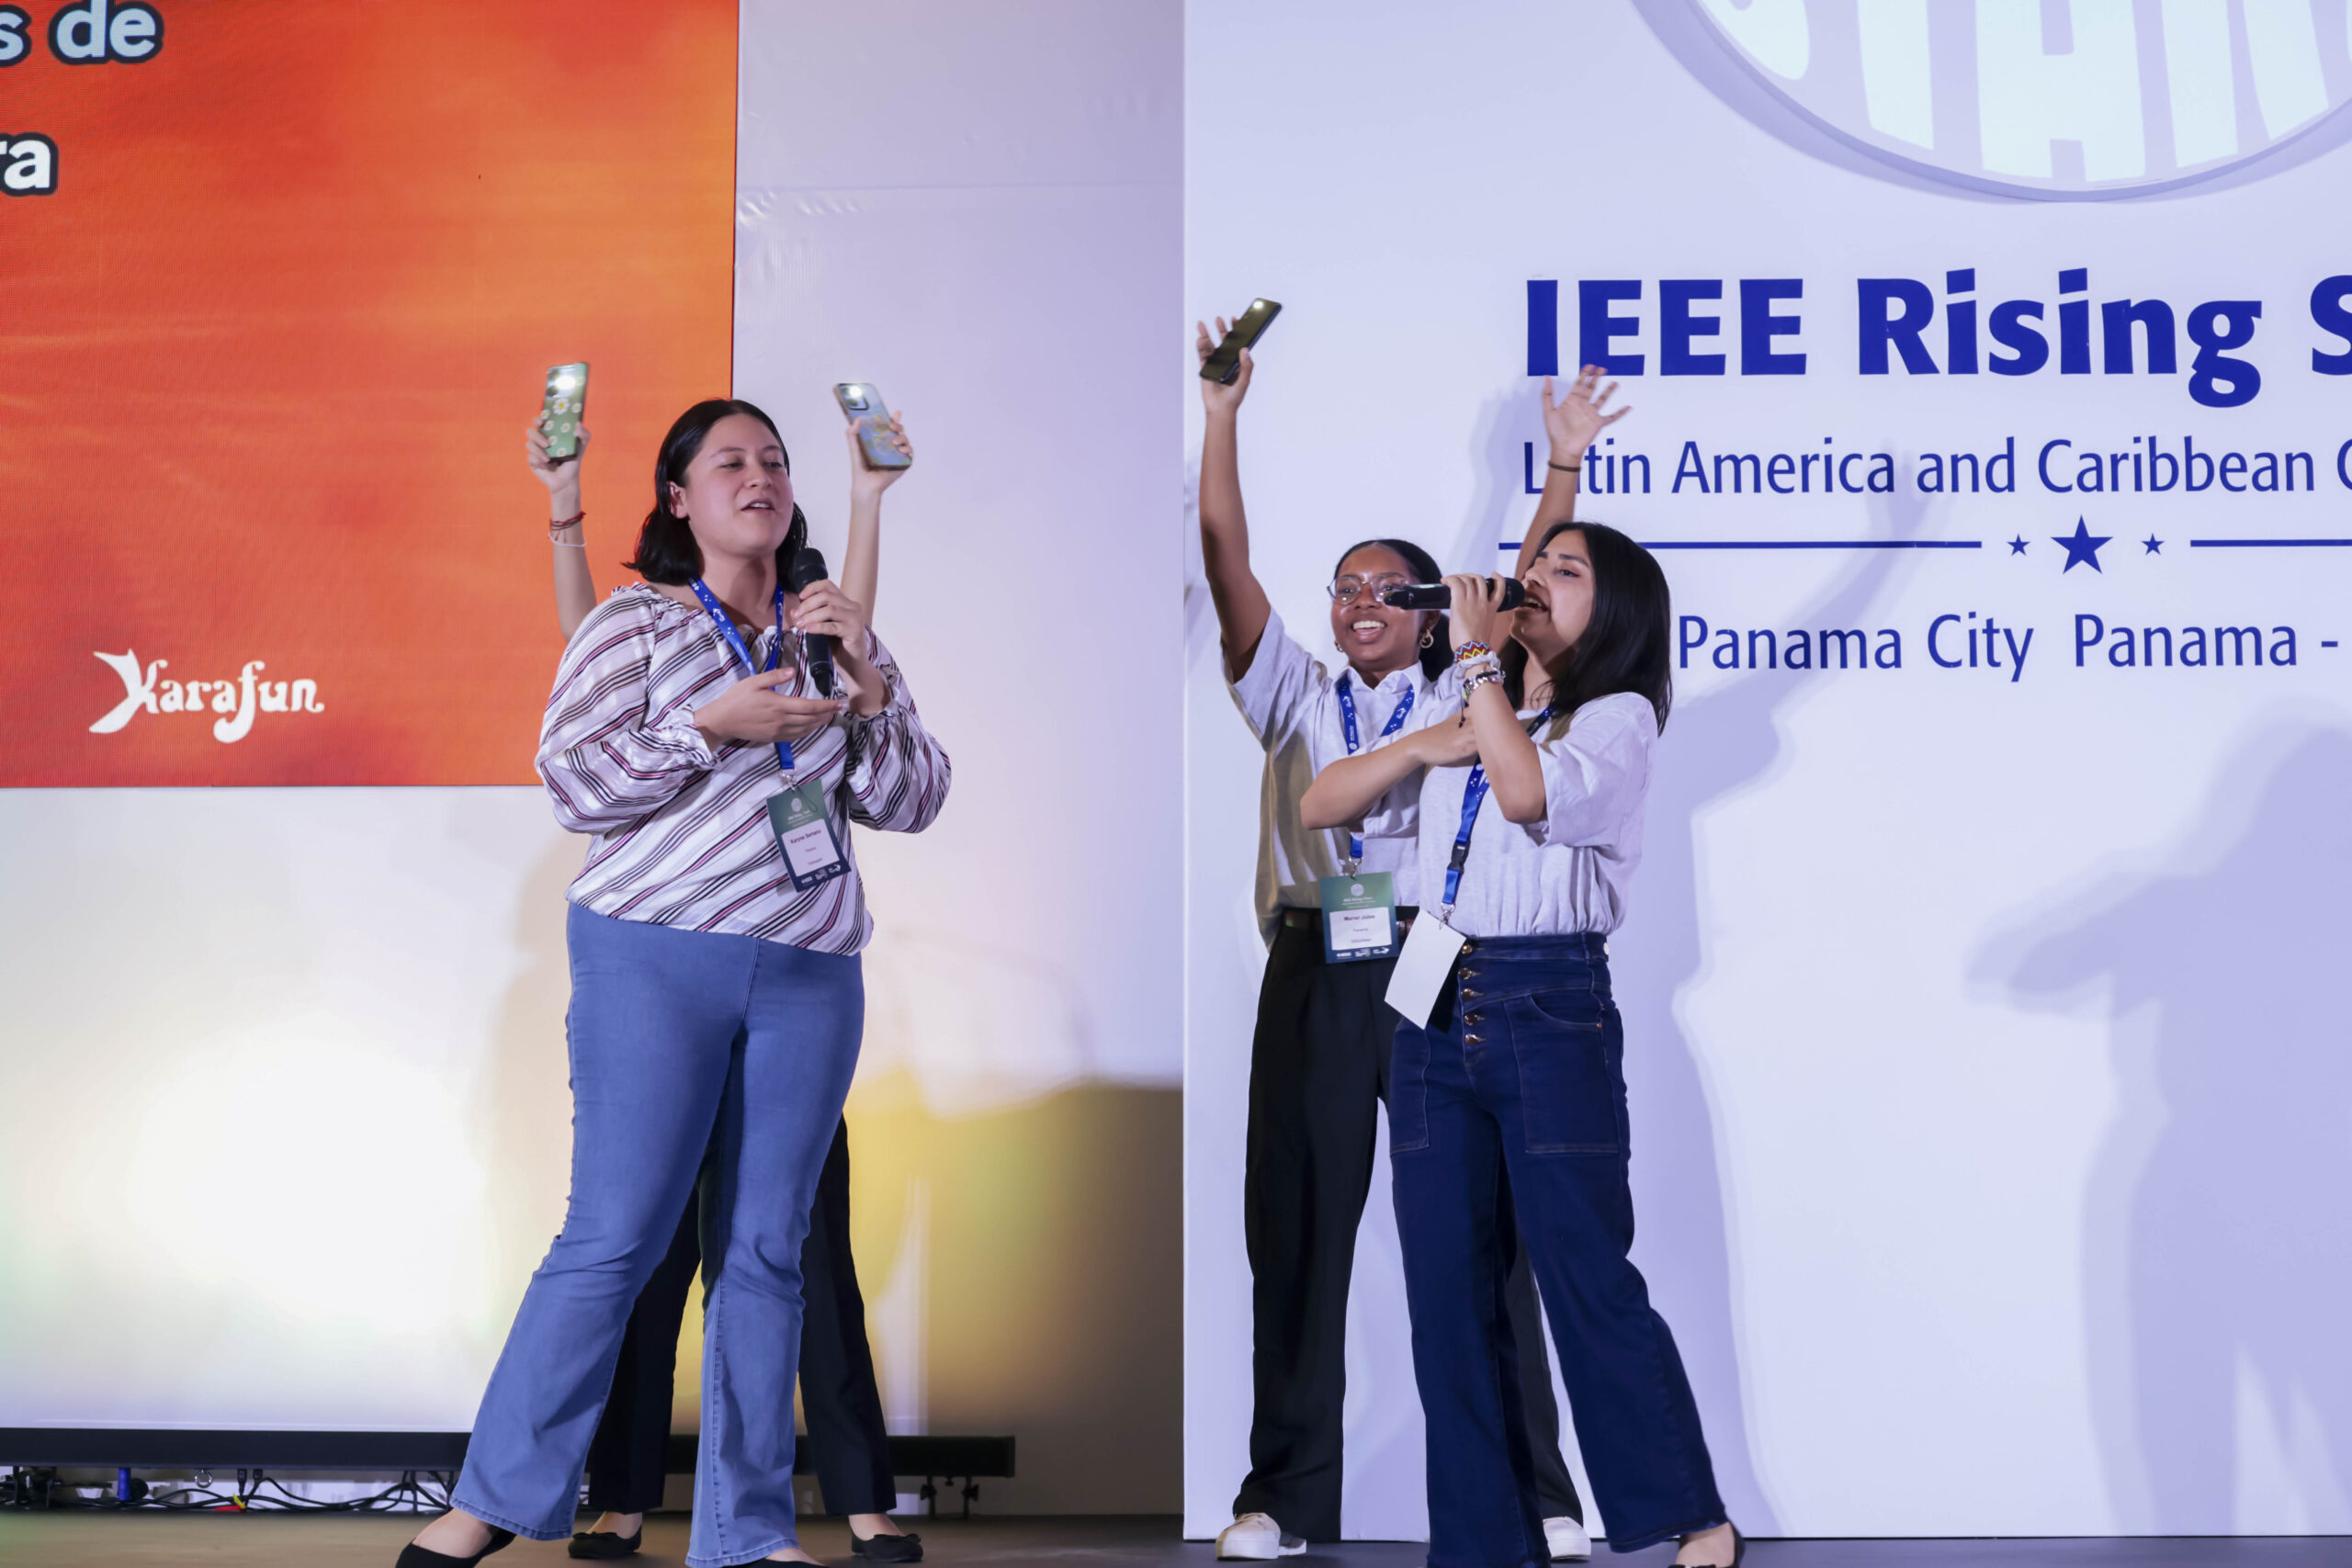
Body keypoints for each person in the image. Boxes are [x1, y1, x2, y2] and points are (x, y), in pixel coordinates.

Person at [401, 398, 952, 1568]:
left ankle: (747, 1530)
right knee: (612, 1238)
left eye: (775, 461)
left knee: (766, 1256)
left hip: (809, 970)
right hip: (653, 954)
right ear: (678, 498)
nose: (760, 477)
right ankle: (487, 1503)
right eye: (731, 462)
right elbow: (575, 784)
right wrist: (711, 725)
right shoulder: (637, 623)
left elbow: (911, 801)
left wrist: (867, 679)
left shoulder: (830, 629)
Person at [1196, 314, 1626, 1564]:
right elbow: (1226, 558)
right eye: (1345, 587)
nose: (1361, 602)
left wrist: (1560, 467)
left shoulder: (1467, 688)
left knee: (1482, 1230)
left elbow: (1528, 588)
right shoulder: (1290, 687)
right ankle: (1283, 1496)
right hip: (1317, 966)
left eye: (1390, 588)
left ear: (1436, 613)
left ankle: (1536, 1486)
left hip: (1443, 962)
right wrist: (1221, 418)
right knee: (1297, 1225)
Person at [1299, 523, 1740, 1567]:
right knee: (1446, 1296)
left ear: (1613, 609)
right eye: (1534, 566)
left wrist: (1477, 661)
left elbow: (1527, 792)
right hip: (1431, 1001)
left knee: (1583, 1272)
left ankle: (1691, 1512)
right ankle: (1483, 1543)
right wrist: (1426, 740)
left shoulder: (1616, 718)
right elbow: (1323, 804)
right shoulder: (1467, 708)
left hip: (1547, 1002)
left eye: (1564, 571)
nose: (1533, 579)